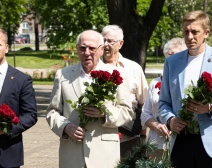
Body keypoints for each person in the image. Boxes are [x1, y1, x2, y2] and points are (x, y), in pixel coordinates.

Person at [46, 30, 134, 168]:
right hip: (72, 154)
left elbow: (127, 112)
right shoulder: (63, 75)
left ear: (101, 49)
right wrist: (65, 127)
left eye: (92, 48)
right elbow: (52, 111)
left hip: (104, 156)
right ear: (77, 49)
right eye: (82, 48)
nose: (87, 52)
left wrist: (105, 113)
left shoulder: (116, 75)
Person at [0, 28, 38, 168]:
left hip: (8, 156)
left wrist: (8, 129)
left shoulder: (22, 80)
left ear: (6, 48)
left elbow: (30, 115)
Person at [159, 11, 212, 167]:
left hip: (209, 143)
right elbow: (164, 102)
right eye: (186, 32)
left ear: (206, 33)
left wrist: (209, 108)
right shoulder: (172, 62)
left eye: (195, 32)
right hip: (181, 141)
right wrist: (170, 120)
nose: (189, 37)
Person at [101, 25, 148, 157]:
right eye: (103, 41)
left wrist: (143, 134)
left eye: (110, 41)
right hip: (100, 136)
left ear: (120, 44)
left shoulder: (134, 69)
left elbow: (144, 104)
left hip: (129, 137)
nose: (105, 45)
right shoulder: (93, 68)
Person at [141, 37, 187, 161]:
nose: (173, 58)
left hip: (182, 143)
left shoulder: (189, 85)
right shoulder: (154, 83)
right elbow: (145, 114)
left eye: (178, 55)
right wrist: (157, 125)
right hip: (157, 144)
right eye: (170, 54)